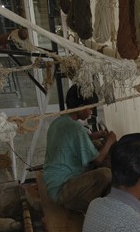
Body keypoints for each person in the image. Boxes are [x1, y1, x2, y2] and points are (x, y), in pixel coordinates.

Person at [43, 84, 116, 213]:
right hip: (61, 189)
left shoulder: (59, 122)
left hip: (52, 182)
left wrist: (94, 136)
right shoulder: (76, 128)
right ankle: (77, 204)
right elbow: (98, 161)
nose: (91, 112)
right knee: (106, 174)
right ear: (80, 107)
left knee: (98, 145)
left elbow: (71, 141)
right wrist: (110, 142)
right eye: (90, 109)